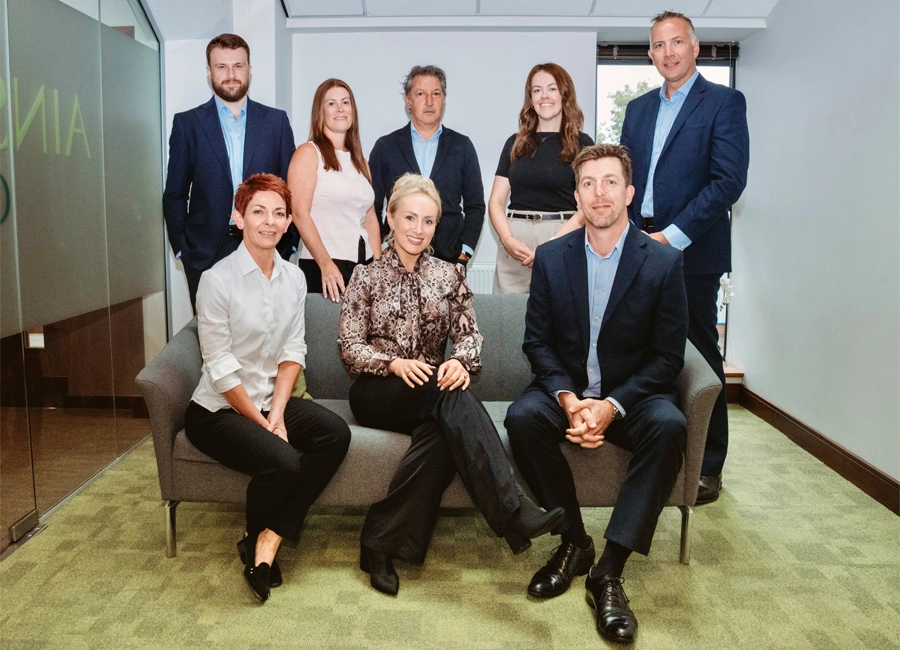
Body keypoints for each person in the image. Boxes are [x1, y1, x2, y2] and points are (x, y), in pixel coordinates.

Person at [338, 173, 563, 596]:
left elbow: (469, 334)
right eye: (409, 218)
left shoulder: (448, 276)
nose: (417, 229)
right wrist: (392, 363)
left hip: (429, 393)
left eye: (427, 221)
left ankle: (378, 544)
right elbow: (349, 345)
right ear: (390, 217)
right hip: (375, 389)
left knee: (443, 431)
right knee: (448, 397)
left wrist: (461, 361)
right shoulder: (365, 277)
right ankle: (513, 509)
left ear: (436, 226)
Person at [505, 145, 688, 644]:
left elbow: (668, 359)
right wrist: (568, 399)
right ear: (577, 195)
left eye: (610, 182)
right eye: (588, 183)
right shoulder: (551, 257)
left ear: (629, 192)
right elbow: (537, 342)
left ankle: (608, 569)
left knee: (671, 426)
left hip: (631, 396)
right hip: (568, 391)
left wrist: (610, 406)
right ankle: (573, 543)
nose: (599, 193)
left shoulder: (664, 263)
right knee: (521, 418)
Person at [184, 173, 351, 603]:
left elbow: (293, 350)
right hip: (217, 410)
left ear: (289, 221)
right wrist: (262, 424)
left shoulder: (294, 280)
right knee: (283, 460)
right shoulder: (216, 280)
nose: (270, 222)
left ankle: (269, 537)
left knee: (335, 434)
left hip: (267, 399)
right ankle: (254, 543)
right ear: (238, 218)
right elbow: (221, 371)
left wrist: (277, 414)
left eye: (279, 213)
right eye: (258, 211)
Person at [620, 11, 750, 504]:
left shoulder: (724, 102)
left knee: (698, 354)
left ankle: (707, 464)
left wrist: (672, 237)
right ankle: (650, 446)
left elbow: (728, 181)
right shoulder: (637, 109)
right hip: (639, 244)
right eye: (658, 45)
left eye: (677, 42)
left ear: (695, 47)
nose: (668, 52)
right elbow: (626, 177)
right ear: (650, 54)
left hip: (690, 250)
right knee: (640, 348)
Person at [163, 33, 297, 309]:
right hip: (205, 252)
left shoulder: (276, 122)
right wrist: (182, 249)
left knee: (265, 333)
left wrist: (289, 244)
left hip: (266, 245)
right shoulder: (188, 124)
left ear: (249, 69)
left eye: (238, 66)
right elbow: (175, 194)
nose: (231, 74)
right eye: (222, 67)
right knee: (214, 340)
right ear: (209, 71)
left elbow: (291, 190)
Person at [488, 63, 594, 294]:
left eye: (552, 89)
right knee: (509, 324)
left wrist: (554, 243)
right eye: (537, 90)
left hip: (562, 239)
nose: (544, 96)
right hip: (515, 243)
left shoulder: (583, 144)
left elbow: (588, 207)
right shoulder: (514, 142)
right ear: (530, 98)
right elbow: (496, 201)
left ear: (564, 94)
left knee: (560, 324)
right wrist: (507, 239)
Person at [369, 65, 484, 269]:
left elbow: (475, 206)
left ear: (444, 99)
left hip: (449, 261)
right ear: (408, 101)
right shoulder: (385, 147)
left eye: (436, 94)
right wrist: (383, 247)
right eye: (421, 94)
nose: (429, 102)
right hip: (396, 260)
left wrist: (464, 254)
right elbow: (373, 206)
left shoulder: (462, 146)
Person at [288, 79, 381, 302]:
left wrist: (378, 268)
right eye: (331, 103)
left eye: (345, 102)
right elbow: (300, 213)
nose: (340, 109)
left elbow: (370, 219)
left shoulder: (360, 161)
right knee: (327, 335)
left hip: (363, 267)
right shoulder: (308, 153)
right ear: (319, 112)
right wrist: (325, 264)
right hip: (326, 267)